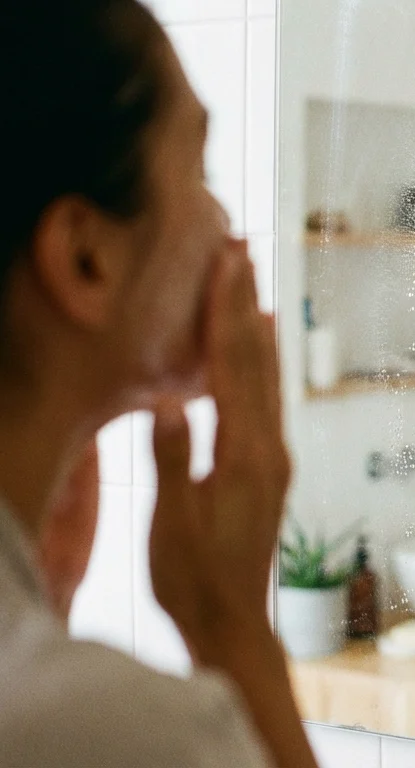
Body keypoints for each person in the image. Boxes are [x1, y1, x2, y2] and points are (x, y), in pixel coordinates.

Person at [0, 2, 314, 765]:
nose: (228, 231)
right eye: (200, 170)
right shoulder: (108, 727)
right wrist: (229, 620)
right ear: (85, 259)